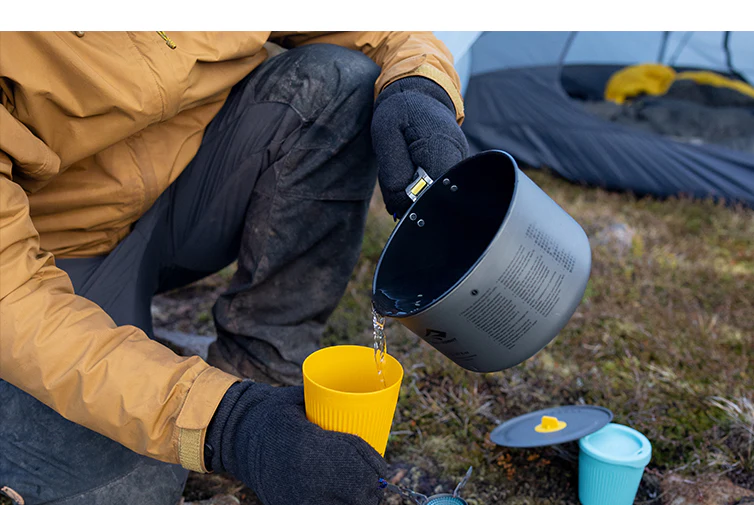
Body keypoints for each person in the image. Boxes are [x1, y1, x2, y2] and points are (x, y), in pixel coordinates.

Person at [0, 32, 469, 505]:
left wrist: (418, 86)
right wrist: (227, 424)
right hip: (44, 263)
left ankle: (262, 381)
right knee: (134, 483)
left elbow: (381, 28)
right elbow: (10, 300)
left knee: (341, 81)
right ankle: (247, 420)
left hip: (176, 198)